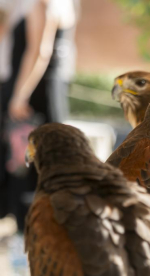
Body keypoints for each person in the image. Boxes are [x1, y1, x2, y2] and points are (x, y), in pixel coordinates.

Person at [0, 0, 79, 231]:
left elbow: (39, 52)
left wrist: (19, 96)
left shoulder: (43, 3)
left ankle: (29, 237)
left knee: (28, 167)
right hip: (36, 92)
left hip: (33, 97)